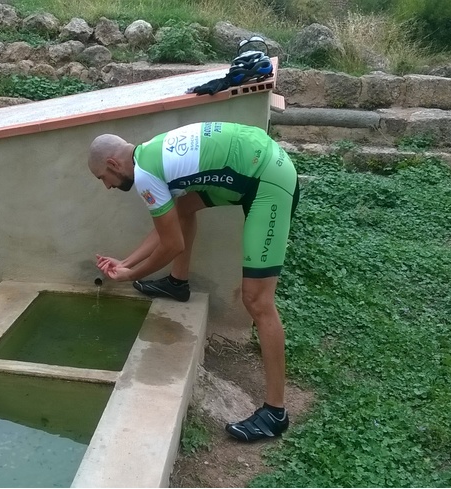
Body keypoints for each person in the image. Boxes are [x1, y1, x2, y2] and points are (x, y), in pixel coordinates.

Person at [88, 121, 300, 442]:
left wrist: (131, 275)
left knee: (257, 300)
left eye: (102, 177)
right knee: (184, 206)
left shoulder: (146, 175)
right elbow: (167, 228)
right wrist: (126, 262)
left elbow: (172, 244)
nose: (105, 186)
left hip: (269, 179)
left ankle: (275, 411)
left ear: (114, 164)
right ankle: (177, 282)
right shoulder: (150, 154)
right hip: (252, 166)